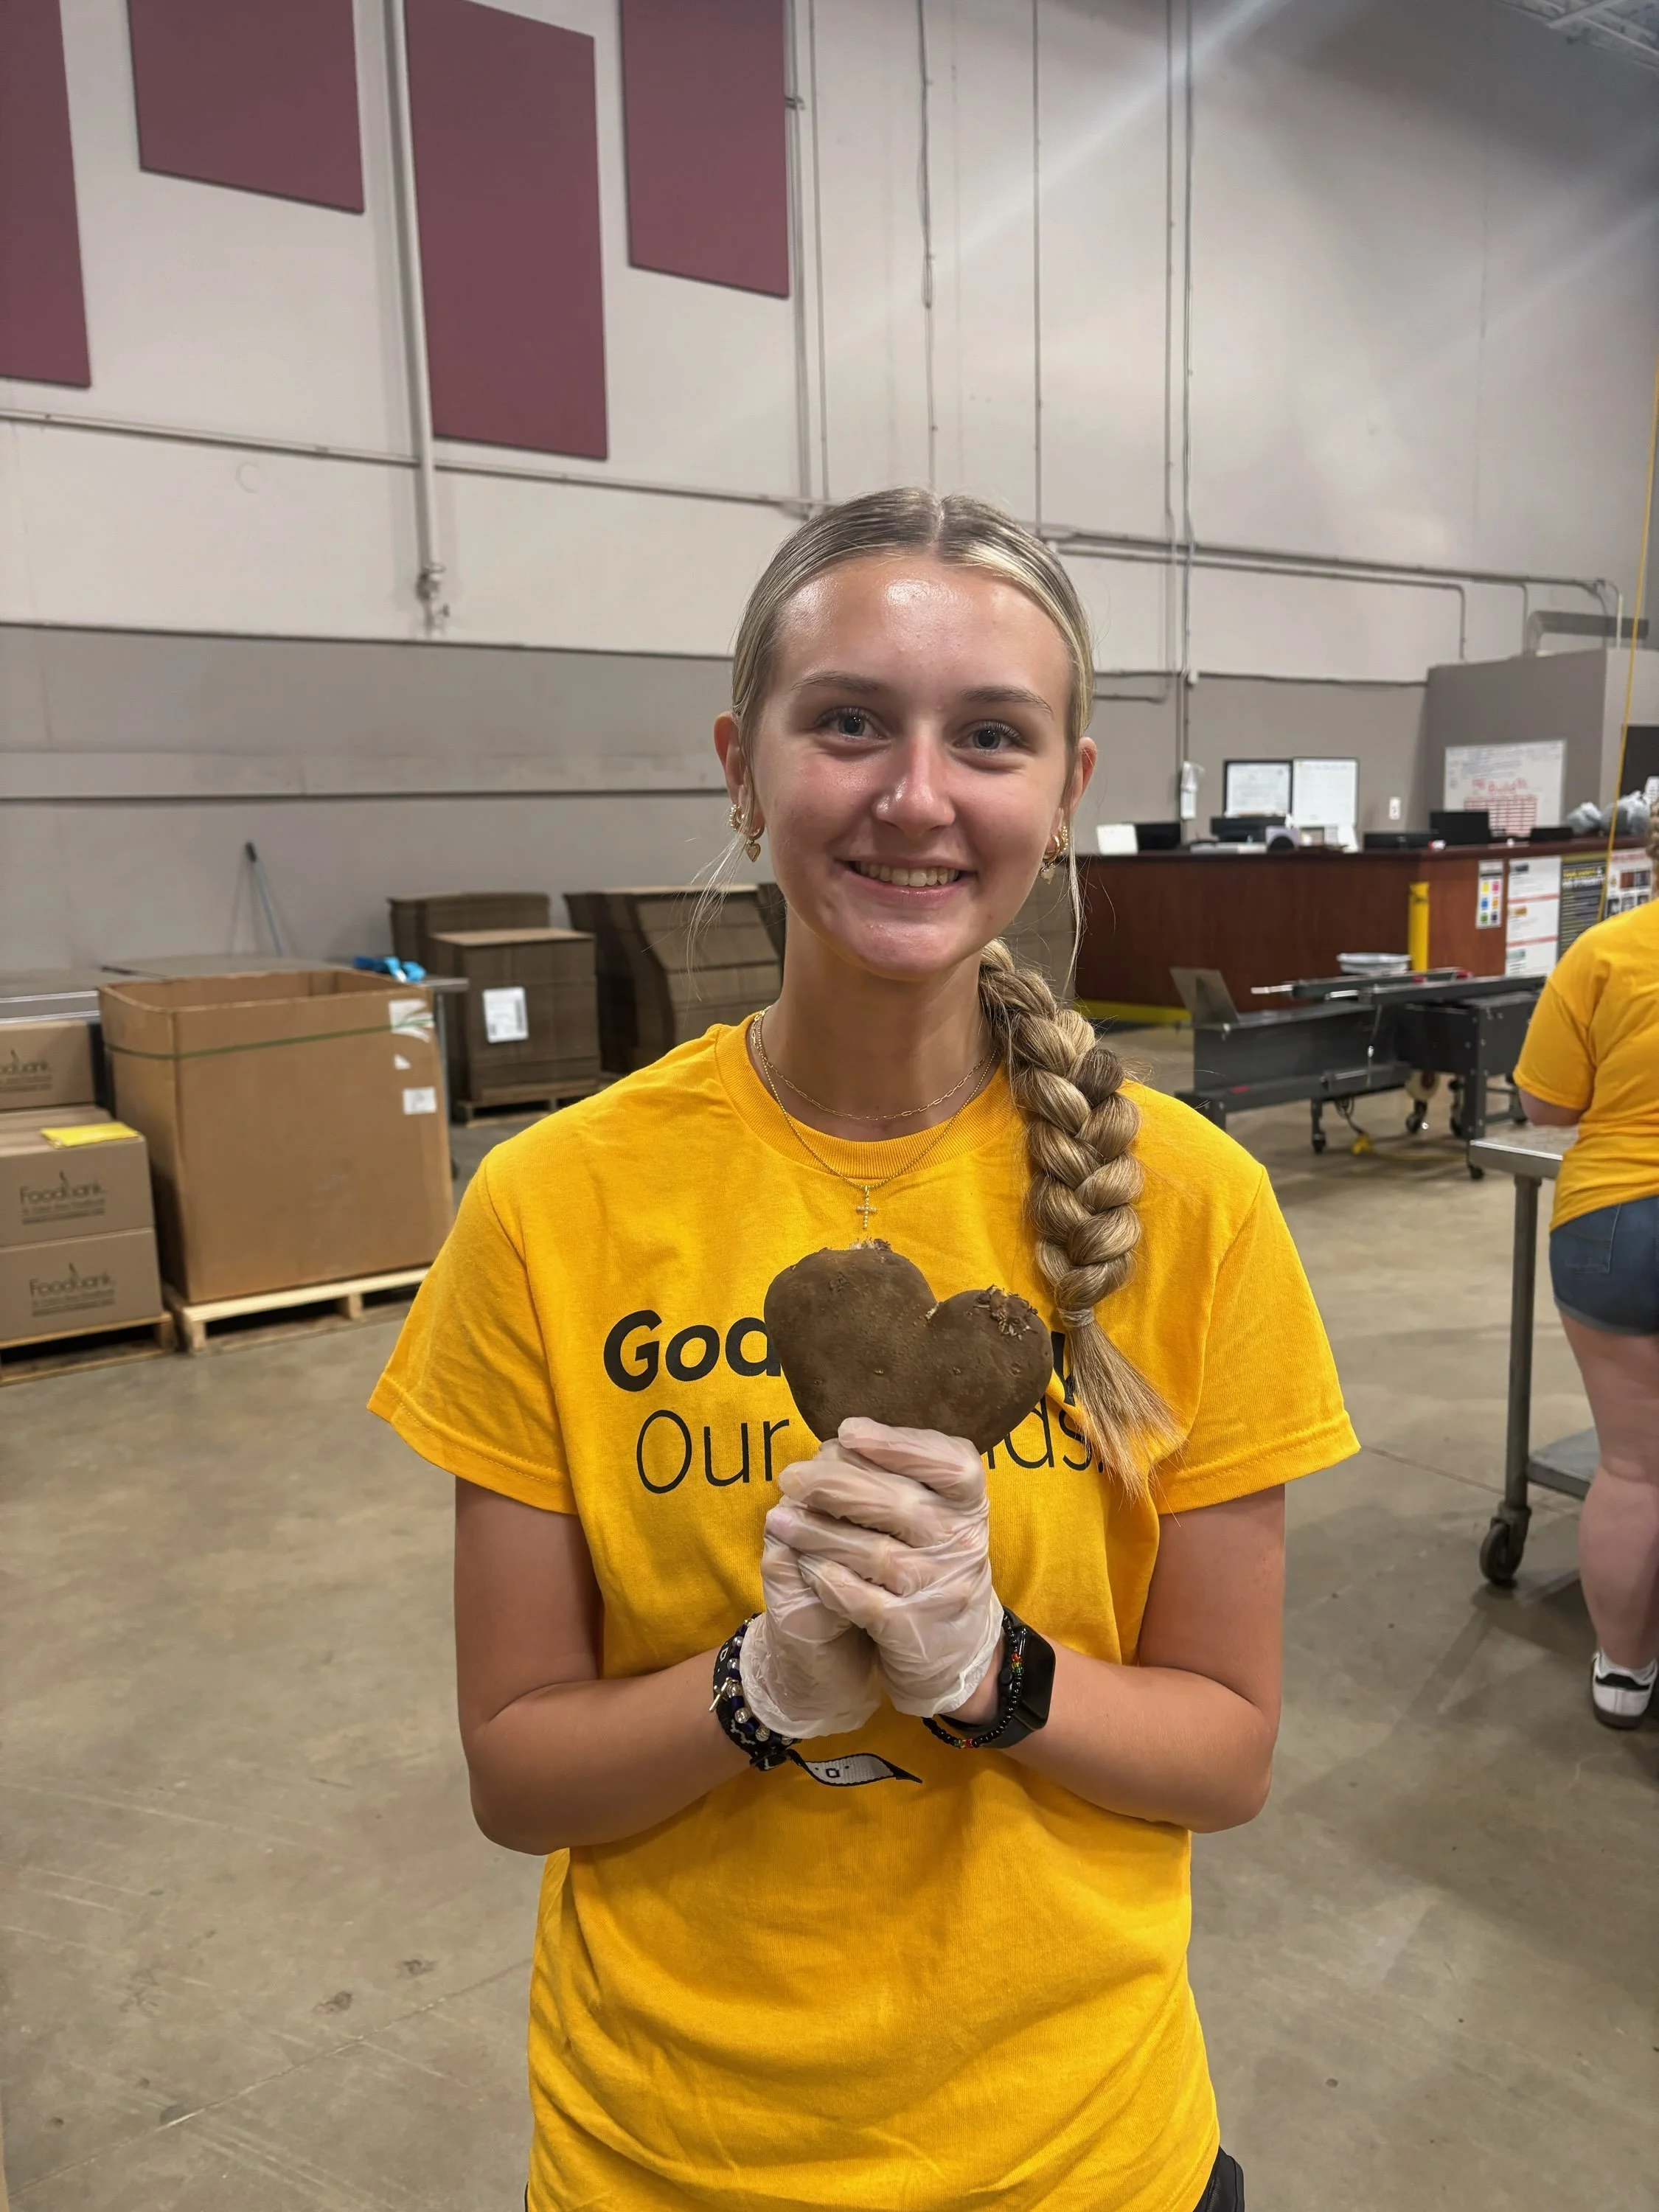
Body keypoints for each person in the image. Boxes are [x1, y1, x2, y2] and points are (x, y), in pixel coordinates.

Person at [370, 489, 1357, 2212]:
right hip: (671, 2157)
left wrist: (991, 1671)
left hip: (1076, 2154)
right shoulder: (552, 1204)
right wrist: (757, 1689)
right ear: (740, 765)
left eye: (988, 735)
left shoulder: (1190, 1208)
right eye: (848, 722)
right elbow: (520, 1769)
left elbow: (1226, 1745)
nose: (915, 795)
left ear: (1066, 790)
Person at [1514, 825, 1659, 1729]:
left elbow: (1547, 1104)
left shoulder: (1605, 952)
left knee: (1635, 1466)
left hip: (1614, 1223)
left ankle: (1623, 1671)